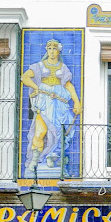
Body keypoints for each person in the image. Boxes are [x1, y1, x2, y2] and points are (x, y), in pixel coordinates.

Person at [21, 39, 82, 175]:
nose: (52, 51)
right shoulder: (39, 66)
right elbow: (25, 77)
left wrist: (77, 102)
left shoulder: (63, 68)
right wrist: (36, 87)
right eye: (49, 49)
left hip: (59, 104)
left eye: (54, 49)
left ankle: (52, 156)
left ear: (59, 51)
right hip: (44, 102)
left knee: (59, 132)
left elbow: (69, 86)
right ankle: (35, 159)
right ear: (46, 50)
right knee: (40, 132)